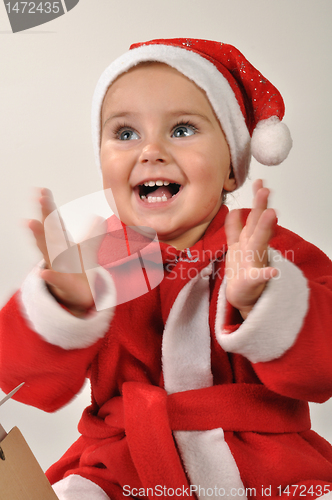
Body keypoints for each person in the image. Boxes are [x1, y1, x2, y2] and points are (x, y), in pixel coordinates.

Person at [1, 38, 332, 500]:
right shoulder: (96, 262)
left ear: (233, 169)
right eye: (125, 133)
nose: (150, 150)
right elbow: (24, 379)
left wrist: (266, 301)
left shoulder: (268, 251)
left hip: (266, 468)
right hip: (123, 467)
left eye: (181, 130)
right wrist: (63, 305)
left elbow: (324, 370)